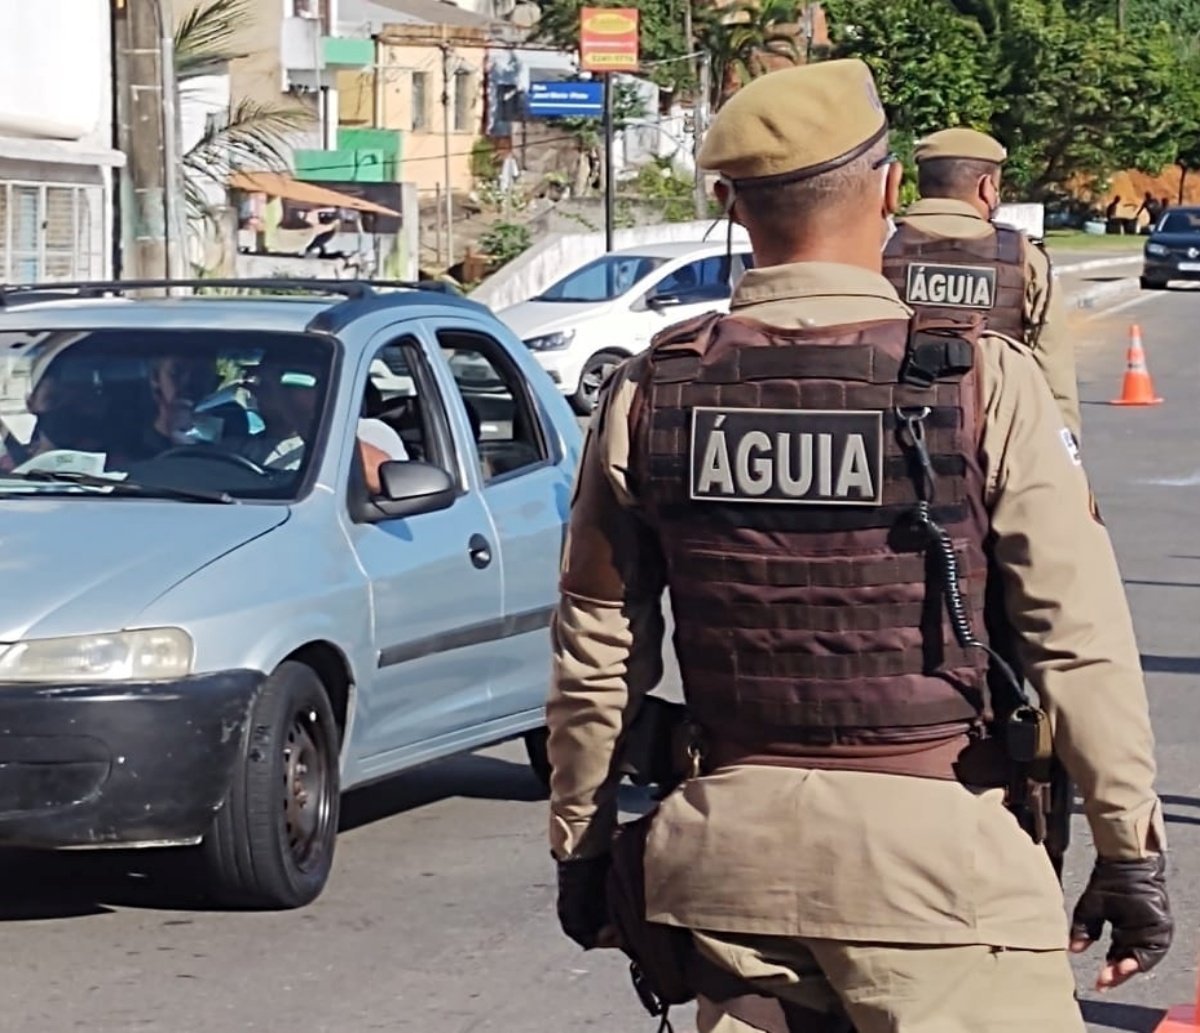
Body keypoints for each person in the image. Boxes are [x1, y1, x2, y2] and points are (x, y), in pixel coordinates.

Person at [546, 59, 1171, 1033]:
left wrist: (580, 848)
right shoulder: (983, 384)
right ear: (887, 190)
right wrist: (1129, 852)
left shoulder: (651, 391)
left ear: (728, 204)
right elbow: (1078, 642)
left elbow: (595, 658)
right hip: (945, 885)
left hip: (722, 883)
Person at [882, 127, 1082, 443]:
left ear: (921, 183)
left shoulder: (878, 248)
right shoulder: (1024, 258)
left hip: (897, 435)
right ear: (987, 187)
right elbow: (1052, 372)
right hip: (994, 443)